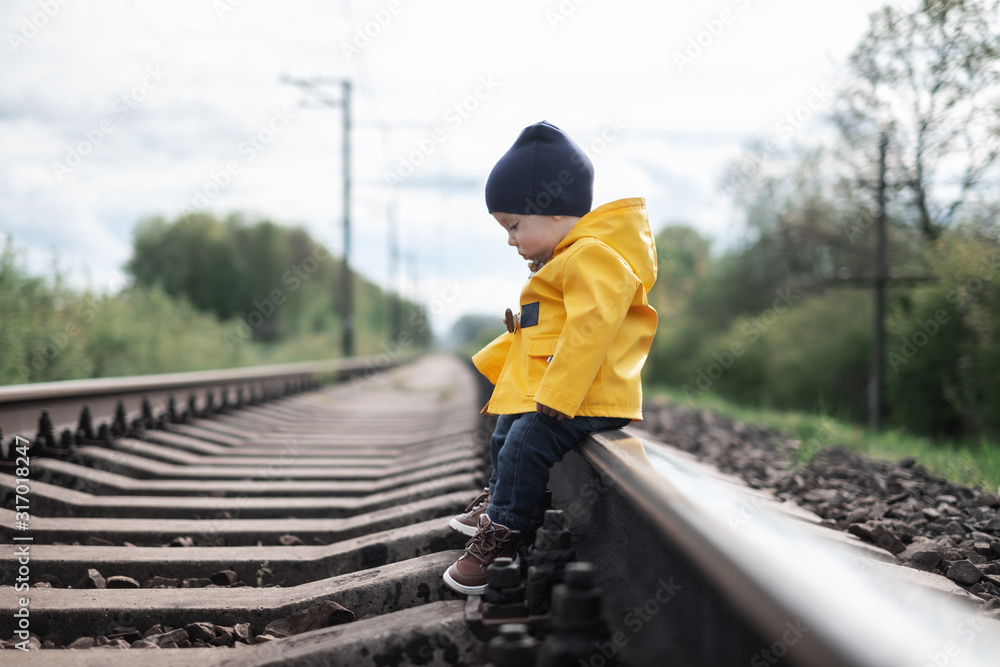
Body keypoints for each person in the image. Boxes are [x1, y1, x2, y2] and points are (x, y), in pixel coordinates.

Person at [443, 121, 658, 595]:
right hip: (573, 392)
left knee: (524, 440)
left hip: (590, 395)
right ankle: (501, 498)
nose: (510, 239)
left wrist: (559, 390)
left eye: (515, 225)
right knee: (506, 428)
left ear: (555, 213)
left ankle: (502, 534)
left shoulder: (591, 257)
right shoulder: (568, 258)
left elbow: (592, 325)